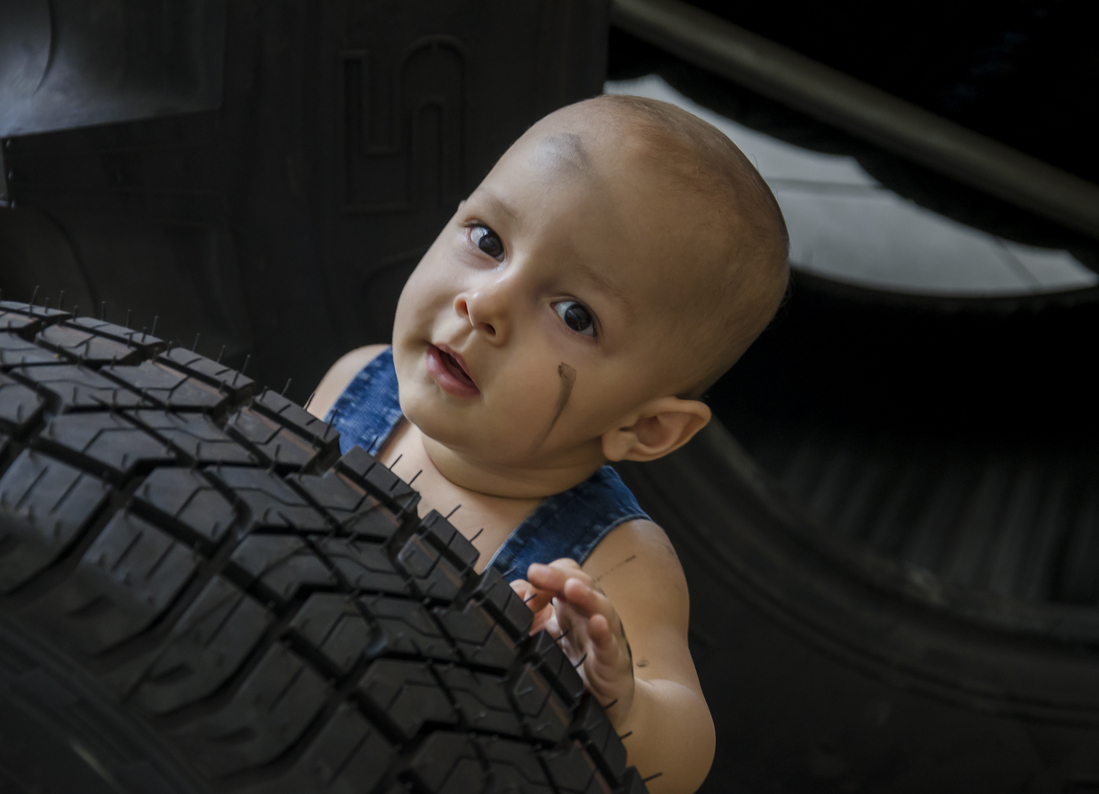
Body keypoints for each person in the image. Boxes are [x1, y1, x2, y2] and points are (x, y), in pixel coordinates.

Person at [309, 93, 789, 794]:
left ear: (645, 428)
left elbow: (684, 761)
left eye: (574, 315)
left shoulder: (615, 558)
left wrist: (620, 699)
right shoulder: (358, 382)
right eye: (487, 240)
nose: (487, 303)